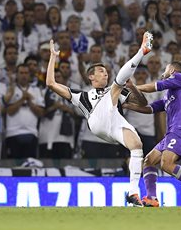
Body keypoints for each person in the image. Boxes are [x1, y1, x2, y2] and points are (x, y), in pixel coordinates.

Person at [45, 32, 153, 207]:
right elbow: (51, 83)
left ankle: (133, 192)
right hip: (96, 119)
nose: (105, 74)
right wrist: (52, 57)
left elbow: (143, 103)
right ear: (91, 77)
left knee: (137, 145)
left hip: (114, 123)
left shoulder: (117, 91)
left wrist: (133, 88)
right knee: (117, 85)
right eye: (101, 72)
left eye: (106, 72)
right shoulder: (82, 96)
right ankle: (142, 51)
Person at [124, 61, 181, 207]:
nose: (163, 72)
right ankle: (152, 198)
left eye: (165, 70)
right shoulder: (169, 95)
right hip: (171, 133)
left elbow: (154, 86)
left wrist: (133, 87)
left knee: (166, 163)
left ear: (171, 70)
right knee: (149, 161)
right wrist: (128, 106)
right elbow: (150, 108)